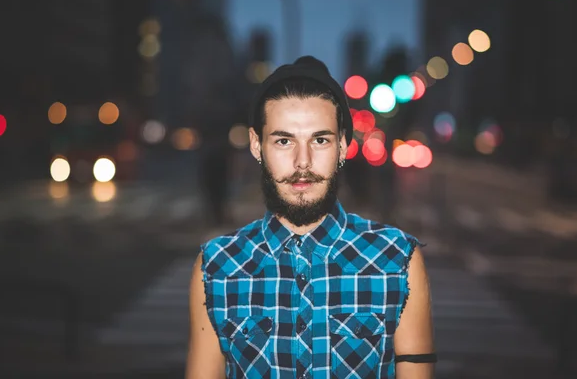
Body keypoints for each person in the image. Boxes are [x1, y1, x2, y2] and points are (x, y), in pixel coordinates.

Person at [186, 56, 436, 379]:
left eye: (320, 140)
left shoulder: (397, 259)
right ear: (256, 145)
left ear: (343, 146)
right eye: (283, 140)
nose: (302, 161)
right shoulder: (216, 266)